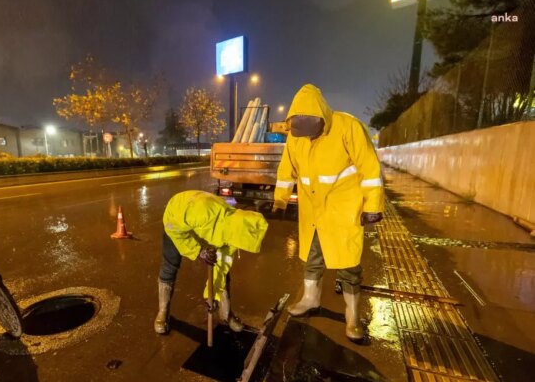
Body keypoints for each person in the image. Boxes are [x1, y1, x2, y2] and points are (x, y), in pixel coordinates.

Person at [272, 84, 384, 341]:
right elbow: (286, 169)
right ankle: (310, 299)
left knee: (348, 263)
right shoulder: (295, 137)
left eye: (313, 133)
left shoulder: (348, 127)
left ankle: (353, 316)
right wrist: (279, 200)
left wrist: (373, 206)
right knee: (312, 257)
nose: (308, 139)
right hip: (313, 210)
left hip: (344, 209)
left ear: (322, 119)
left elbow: (370, 167)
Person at [155, 190, 269, 335]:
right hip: (176, 223)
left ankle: (226, 314)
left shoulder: (234, 232)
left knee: (223, 272)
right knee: (170, 265)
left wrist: (212, 295)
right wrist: (197, 251)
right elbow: (173, 227)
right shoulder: (203, 212)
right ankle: (163, 312)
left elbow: (222, 267)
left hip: (204, 229)